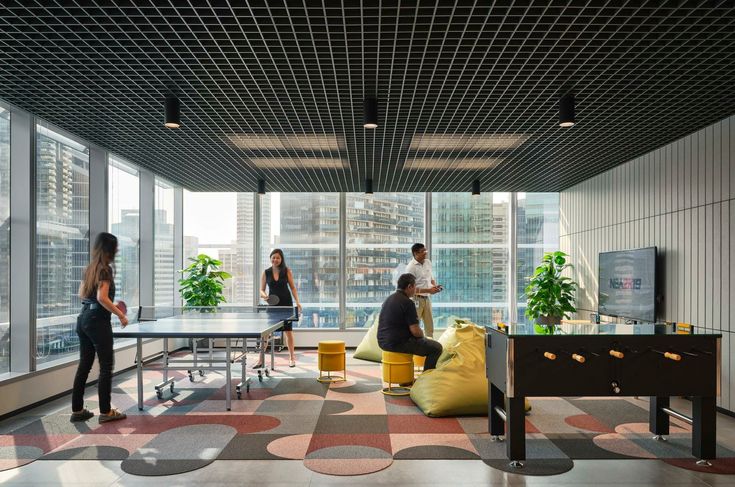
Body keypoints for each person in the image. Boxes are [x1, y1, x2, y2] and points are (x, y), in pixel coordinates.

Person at [70, 232, 128, 423]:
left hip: (83, 318)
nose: (117, 250)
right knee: (106, 366)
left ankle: (77, 411)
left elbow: (81, 294)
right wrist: (120, 314)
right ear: (109, 249)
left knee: (84, 365)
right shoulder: (105, 269)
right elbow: (102, 298)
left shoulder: (90, 269)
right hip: (97, 321)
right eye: (115, 247)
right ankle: (106, 411)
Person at [377, 273, 443, 372]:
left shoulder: (389, 299)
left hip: (382, 341)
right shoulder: (408, 303)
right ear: (409, 286)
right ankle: (426, 379)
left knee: (424, 342)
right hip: (397, 343)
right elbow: (415, 331)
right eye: (415, 286)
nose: (416, 289)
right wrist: (423, 337)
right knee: (436, 348)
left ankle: (404, 378)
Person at [258, 249, 302, 368]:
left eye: (278, 258)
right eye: (273, 257)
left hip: (286, 304)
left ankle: (292, 358)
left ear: (281, 259)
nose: (275, 260)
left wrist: (297, 302)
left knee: (288, 332)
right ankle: (260, 360)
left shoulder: (286, 271)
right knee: (266, 334)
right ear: (270, 258)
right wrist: (264, 296)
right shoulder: (266, 272)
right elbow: (261, 289)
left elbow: (292, 288)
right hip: (272, 306)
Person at [405, 243, 442, 337]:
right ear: (415, 253)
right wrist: (429, 291)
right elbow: (410, 290)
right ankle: (415, 348)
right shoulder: (410, 268)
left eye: (425, 250)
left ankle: (430, 348)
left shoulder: (427, 262)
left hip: (427, 299)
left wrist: (435, 287)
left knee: (429, 326)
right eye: (423, 251)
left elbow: (431, 278)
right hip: (416, 299)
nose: (425, 253)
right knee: (415, 326)